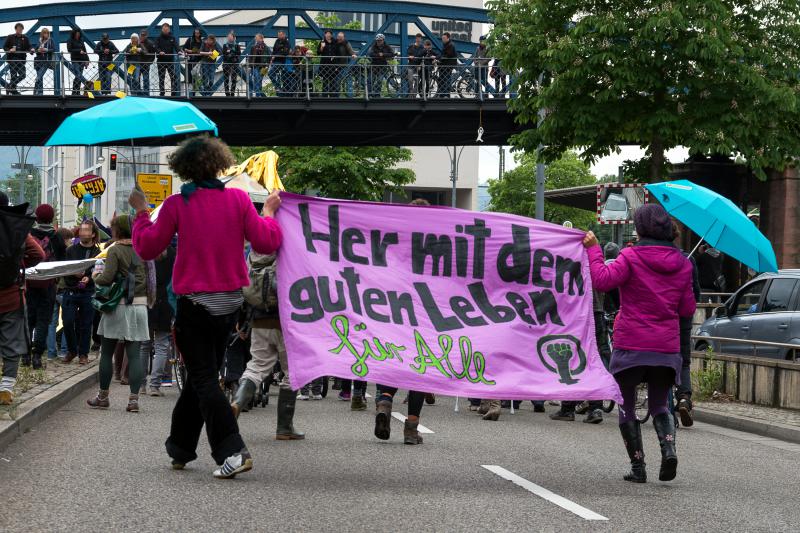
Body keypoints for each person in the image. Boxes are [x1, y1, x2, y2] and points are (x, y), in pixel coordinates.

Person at [130, 135, 282, 479]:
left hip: (195, 305)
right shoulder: (240, 200)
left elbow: (147, 248)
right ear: (219, 163)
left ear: (183, 168)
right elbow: (267, 240)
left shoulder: (176, 204)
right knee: (204, 376)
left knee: (202, 378)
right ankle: (181, 448)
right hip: (229, 303)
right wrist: (269, 212)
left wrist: (141, 212)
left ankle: (232, 450)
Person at [584, 203, 696, 483]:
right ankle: (668, 448)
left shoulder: (630, 256)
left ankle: (638, 467)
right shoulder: (684, 263)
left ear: (642, 227)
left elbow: (601, 280)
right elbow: (686, 309)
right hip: (666, 348)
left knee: (627, 405)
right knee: (660, 404)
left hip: (631, 344)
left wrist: (594, 249)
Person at [230, 252, 304, 441]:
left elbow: (243, 286)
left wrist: (240, 319)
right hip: (288, 322)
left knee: (256, 366)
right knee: (291, 372)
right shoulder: (292, 249)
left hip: (259, 320)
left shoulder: (255, 253)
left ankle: (237, 402)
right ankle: (284, 427)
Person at [86, 215, 148, 412]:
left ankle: (103, 397)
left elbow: (106, 279)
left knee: (107, 352)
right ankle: (133, 400)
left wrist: (95, 275)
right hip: (140, 305)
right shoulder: (143, 249)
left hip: (118, 306)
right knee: (135, 354)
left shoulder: (114, 250)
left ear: (117, 230)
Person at [0, 192, 44, 405]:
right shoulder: (16, 229)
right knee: (11, 343)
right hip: (11, 296)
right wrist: (18, 263)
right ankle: (6, 388)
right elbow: (39, 255)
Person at [548, 290, 611, 424]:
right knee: (595, 361)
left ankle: (568, 408)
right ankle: (595, 408)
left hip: (576, 311)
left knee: (570, 358)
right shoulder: (596, 267)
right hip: (596, 311)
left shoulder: (573, 267)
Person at [24, 204, 66, 370]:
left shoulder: (29, 235)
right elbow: (62, 261)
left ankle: (25, 354)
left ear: (37, 217)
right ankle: (37, 356)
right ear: (52, 217)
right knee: (43, 321)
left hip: (29, 282)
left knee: (28, 320)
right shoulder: (57, 238)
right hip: (48, 284)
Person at [60, 221, 100, 365]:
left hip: (88, 292)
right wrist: (74, 274)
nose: (83, 233)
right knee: (68, 321)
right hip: (71, 290)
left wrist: (89, 278)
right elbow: (65, 270)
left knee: (86, 324)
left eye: (86, 230)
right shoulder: (71, 250)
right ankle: (72, 350)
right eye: (81, 230)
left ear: (93, 234)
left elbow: (99, 272)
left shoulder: (97, 253)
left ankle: (83, 353)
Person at [673, 223, 701, 427]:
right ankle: (684, 398)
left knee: (663, 355)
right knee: (683, 360)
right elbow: (697, 292)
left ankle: (663, 402)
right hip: (684, 317)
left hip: (663, 315)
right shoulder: (688, 259)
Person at [144, 245, 176, 396]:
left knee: (144, 345)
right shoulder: (174, 254)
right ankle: (154, 386)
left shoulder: (147, 251)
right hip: (167, 303)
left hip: (147, 301)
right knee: (162, 345)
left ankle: (140, 384)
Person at [47, 227, 74, 361]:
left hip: (53, 289)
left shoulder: (52, 252)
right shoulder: (68, 253)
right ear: (64, 239)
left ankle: (51, 353)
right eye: (69, 238)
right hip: (64, 290)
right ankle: (64, 350)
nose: (71, 240)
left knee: (51, 322)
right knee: (67, 322)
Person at [3, 23, 33, 95]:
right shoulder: (10, 37)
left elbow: (29, 47)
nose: (20, 30)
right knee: (13, 76)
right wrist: (10, 50)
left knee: (23, 75)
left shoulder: (25, 38)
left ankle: (9, 86)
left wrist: (31, 49)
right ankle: (13, 90)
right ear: (16, 29)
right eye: (19, 28)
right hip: (12, 59)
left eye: (21, 29)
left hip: (21, 60)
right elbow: (4, 47)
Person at [155, 23, 180, 96]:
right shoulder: (158, 38)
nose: (165, 31)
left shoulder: (172, 38)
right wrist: (160, 52)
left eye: (167, 29)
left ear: (169, 30)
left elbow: (176, 46)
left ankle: (173, 92)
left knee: (173, 76)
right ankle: (162, 92)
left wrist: (179, 51)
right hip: (161, 60)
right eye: (164, 29)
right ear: (162, 30)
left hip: (170, 60)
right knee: (161, 77)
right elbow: (155, 47)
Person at [66, 29, 89, 96]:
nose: (78, 35)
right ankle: (74, 91)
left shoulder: (81, 40)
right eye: (76, 34)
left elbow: (84, 50)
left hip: (82, 59)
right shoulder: (70, 40)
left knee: (78, 76)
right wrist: (79, 50)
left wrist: (87, 60)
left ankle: (77, 91)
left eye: (79, 34)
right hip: (75, 59)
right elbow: (69, 49)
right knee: (78, 75)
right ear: (74, 34)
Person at [33, 28, 56, 96]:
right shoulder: (39, 41)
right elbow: (36, 49)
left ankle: (36, 91)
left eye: (47, 33)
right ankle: (40, 92)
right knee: (40, 77)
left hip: (46, 61)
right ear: (42, 34)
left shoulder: (50, 40)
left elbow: (54, 49)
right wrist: (38, 50)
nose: (46, 34)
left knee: (39, 76)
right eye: (44, 33)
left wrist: (46, 50)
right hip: (38, 60)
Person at [334, 32, 357, 97]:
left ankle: (341, 95)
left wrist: (353, 54)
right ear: (337, 37)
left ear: (343, 38)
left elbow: (350, 50)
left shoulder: (346, 43)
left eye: (341, 37)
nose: (340, 39)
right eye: (339, 37)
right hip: (334, 65)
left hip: (343, 65)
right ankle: (334, 95)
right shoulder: (334, 42)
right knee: (334, 81)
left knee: (339, 80)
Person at [182, 28, 204, 96]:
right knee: (189, 75)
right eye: (195, 32)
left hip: (198, 61)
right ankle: (191, 92)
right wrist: (188, 51)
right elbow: (184, 48)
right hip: (190, 60)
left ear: (200, 33)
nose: (196, 34)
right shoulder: (190, 39)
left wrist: (194, 51)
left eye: (198, 33)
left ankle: (197, 91)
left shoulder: (202, 41)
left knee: (197, 76)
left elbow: (201, 51)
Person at [269, 30, 291, 96]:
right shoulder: (277, 41)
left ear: (284, 35)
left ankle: (278, 87)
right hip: (275, 61)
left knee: (270, 73)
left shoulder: (287, 43)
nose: (279, 36)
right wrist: (271, 59)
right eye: (278, 35)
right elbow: (274, 50)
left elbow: (285, 53)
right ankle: (279, 89)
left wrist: (275, 55)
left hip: (281, 62)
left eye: (280, 35)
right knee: (277, 76)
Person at [436, 32, 457, 97]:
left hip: (447, 66)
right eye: (442, 38)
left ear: (448, 38)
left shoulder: (450, 45)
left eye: (444, 38)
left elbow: (447, 55)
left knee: (446, 79)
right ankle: (443, 94)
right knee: (443, 79)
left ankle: (446, 94)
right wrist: (438, 58)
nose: (443, 39)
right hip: (444, 66)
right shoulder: (447, 44)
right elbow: (443, 54)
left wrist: (437, 58)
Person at [317, 30, 337, 96]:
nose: (328, 35)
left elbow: (338, 51)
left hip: (333, 64)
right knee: (325, 80)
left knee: (333, 80)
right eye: (327, 34)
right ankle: (324, 95)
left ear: (331, 35)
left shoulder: (335, 42)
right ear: (325, 35)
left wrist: (335, 56)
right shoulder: (322, 42)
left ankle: (332, 96)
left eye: (329, 34)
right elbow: (318, 52)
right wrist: (322, 47)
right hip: (324, 63)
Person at [222, 32, 241, 97]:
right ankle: (227, 93)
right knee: (226, 79)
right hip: (226, 63)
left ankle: (232, 93)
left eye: (230, 37)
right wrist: (232, 53)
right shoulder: (225, 45)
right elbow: (224, 53)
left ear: (233, 37)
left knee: (234, 79)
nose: (229, 38)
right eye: (228, 37)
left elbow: (239, 53)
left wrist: (231, 52)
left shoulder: (236, 45)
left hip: (234, 63)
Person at [138, 29, 156, 96]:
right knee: (137, 79)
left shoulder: (150, 43)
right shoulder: (136, 42)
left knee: (146, 79)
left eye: (144, 35)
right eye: (141, 35)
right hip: (138, 64)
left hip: (146, 64)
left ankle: (146, 93)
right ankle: (138, 93)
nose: (142, 36)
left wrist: (149, 63)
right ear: (140, 35)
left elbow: (153, 55)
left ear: (146, 36)